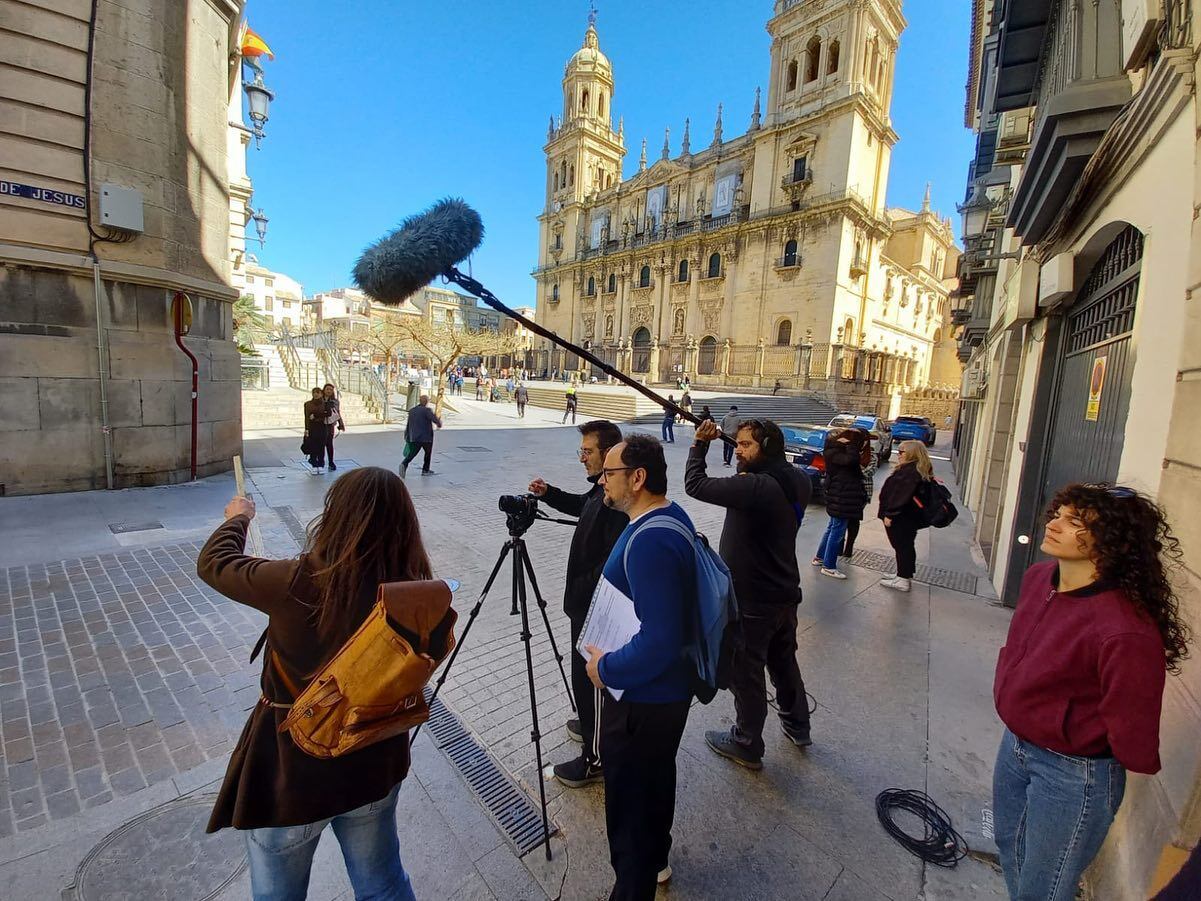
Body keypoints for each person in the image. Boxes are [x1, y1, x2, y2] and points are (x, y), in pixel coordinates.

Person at [196, 467, 432, 901]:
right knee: (383, 884)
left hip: (293, 773)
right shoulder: (417, 590)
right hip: (374, 761)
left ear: (335, 516)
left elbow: (215, 563)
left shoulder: (295, 580)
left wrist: (238, 518)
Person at [992, 484, 1190, 901]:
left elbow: (1133, 721)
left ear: (1114, 541)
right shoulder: (1038, 578)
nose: (1055, 524)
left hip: (1073, 774)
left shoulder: (1124, 628)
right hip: (1015, 747)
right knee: (1012, 852)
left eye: (1074, 521)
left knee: (1043, 889)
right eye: (1058, 513)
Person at [584, 434, 697, 898]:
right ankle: (657, 860)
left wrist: (606, 669)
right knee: (655, 782)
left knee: (629, 810)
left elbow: (660, 640)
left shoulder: (651, 540)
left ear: (638, 477)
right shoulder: (666, 516)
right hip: (663, 697)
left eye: (608, 472)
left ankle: (634, 884)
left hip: (643, 700)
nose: (599, 479)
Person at [686, 418, 814, 769]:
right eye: (737, 444)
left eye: (746, 445)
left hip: (755, 599)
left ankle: (746, 742)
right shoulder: (798, 479)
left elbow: (695, 485)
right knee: (784, 662)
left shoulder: (757, 486)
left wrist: (700, 444)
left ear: (767, 447)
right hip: (785, 592)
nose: (737, 450)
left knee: (747, 673)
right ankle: (797, 724)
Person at [528, 421, 628, 789]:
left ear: (609, 455)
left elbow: (613, 563)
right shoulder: (599, 490)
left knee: (593, 683)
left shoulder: (617, 499)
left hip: (596, 609)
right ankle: (590, 727)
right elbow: (580, 508)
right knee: (582, 682)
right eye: (581, 451)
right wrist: (549, 493)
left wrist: (583, 587)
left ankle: (596, 758)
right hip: (582, 604)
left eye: (588, 452)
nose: (582, 458)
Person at [876, 440, 934, 591]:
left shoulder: (911, 472)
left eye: (902, 452)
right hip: (906, 517)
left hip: (902, 517)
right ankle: (903, 574)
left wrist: (890, 514)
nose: (899, 454)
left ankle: (903, 579)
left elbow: (901, 495)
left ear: (912, 453)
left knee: (902, 546)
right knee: (904, 546)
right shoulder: (913, 469)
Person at [811, 428, 868, 579]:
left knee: (832, 527)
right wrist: (852, 446)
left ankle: (820, 557)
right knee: (837, 530)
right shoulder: (837, 453)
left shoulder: (834, 450)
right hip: (842, 496)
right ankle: (829, 565)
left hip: (841, 495)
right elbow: (851, 461)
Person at [841, 429, 877, 559]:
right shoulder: (848, 452)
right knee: (842, 518)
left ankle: (849, 546)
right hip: (847, 490)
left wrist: (854, 469)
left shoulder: (871, 455)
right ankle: (840, 545)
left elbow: (869, 472)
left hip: (862, 492)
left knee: (854, 519)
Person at [400, 395, 442, 478]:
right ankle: (425, 470)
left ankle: (404, 464)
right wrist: (439, 423)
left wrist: (407, 435)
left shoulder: (412, 411)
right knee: (427, 454)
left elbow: (408, 424)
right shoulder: (427, 410)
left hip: (414, 437)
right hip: (426, 437)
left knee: (412, 453)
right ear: (426, 402)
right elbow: (435, 419)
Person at [303, 388, 329, 474]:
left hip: (322, 426)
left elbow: (328, 413)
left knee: (321, 446)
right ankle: (314, 464)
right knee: (313, 446)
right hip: (312, 427)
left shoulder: (325, 404)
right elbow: (307, 417)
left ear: (321, 394)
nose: (316, 394)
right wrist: (306, 429)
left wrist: (315, 415)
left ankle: (321, 465)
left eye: (318, 393)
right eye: (314, 393)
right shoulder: (308, 404)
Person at [321, 384, 346, 472]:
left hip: (330, 424)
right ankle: (321, 461)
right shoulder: (320, 400)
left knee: (329, 444)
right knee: (321, 444)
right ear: (324, 390)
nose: (329, 391)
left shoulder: (335, 402)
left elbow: (337, 413)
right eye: (327, 389)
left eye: (331, 390)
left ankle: (331, 462)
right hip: (320, 424)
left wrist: (341, 424)